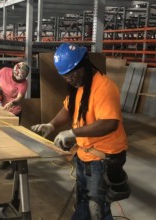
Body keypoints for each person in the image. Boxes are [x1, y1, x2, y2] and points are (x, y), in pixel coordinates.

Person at [31, 43, 130, 220]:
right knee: (83, 200)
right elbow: (68, 109)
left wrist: (72, 133)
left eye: (71, 75)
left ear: (83, 65)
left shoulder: (104, 87)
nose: (68, 80)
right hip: (85, 155)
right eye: (65, 76)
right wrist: (52, 125)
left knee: (97, 207)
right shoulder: (79, 86)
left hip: (103, 158)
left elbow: (109, 123)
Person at [0, 62, 30, 179]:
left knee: (14, 140)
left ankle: (15, 169)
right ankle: (5, 161)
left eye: (21, 79)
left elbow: (19, 98)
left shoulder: (24, 83)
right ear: (13, 72)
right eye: (16, 78)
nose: (18, 81)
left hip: (14, 111)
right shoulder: (5, 71)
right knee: (1, 137)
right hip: (1, 109)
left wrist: (12, 103)